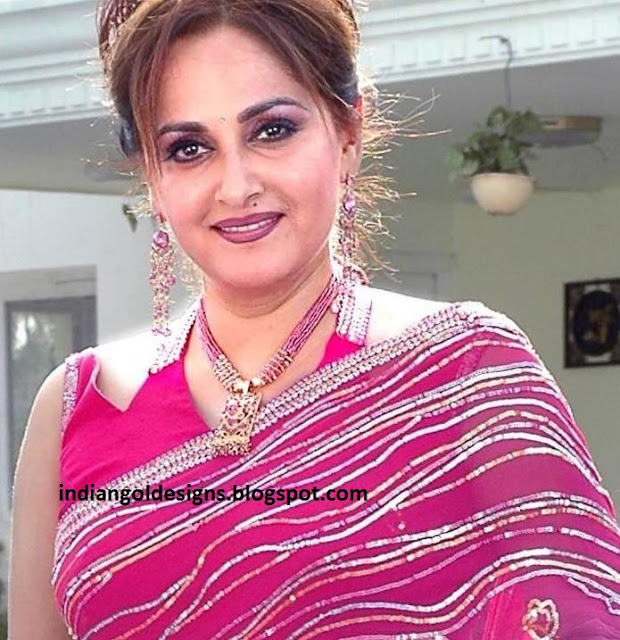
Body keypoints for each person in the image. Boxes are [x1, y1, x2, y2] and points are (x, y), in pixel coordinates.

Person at [8, 0, 620, 638]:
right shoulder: (76, 406)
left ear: (347, 133)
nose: (236, 186)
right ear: (152, 180)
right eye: (189, 149)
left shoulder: (467, 368)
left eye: (272, 130)